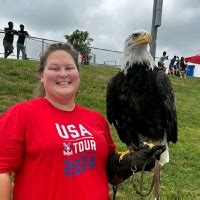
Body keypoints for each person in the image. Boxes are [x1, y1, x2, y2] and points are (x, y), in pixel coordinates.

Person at [0, 43, 165, 200]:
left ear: (78, 74)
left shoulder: (96, 119)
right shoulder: (22, 114)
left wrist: (129, 164)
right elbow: (2, 172)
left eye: (69, 68)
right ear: (41, 75)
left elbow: (110, 174)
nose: (63, 74)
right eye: (54, 68)